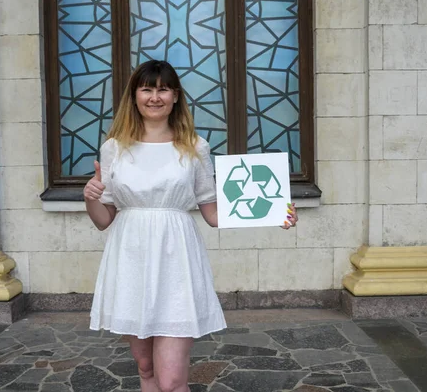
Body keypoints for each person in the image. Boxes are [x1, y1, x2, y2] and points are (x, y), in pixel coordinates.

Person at [83, 60, 298, 392]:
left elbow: (213, 213)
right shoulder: (114, 147)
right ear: (135, 95)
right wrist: (90, 196)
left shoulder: (195, 146)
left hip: (176, 259)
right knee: (145, 368)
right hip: (130, 258)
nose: (155, 97)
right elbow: (103, 220)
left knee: (170, 381)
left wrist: (273, 212)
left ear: (175, 96)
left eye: (163, 89)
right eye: (147, 89)